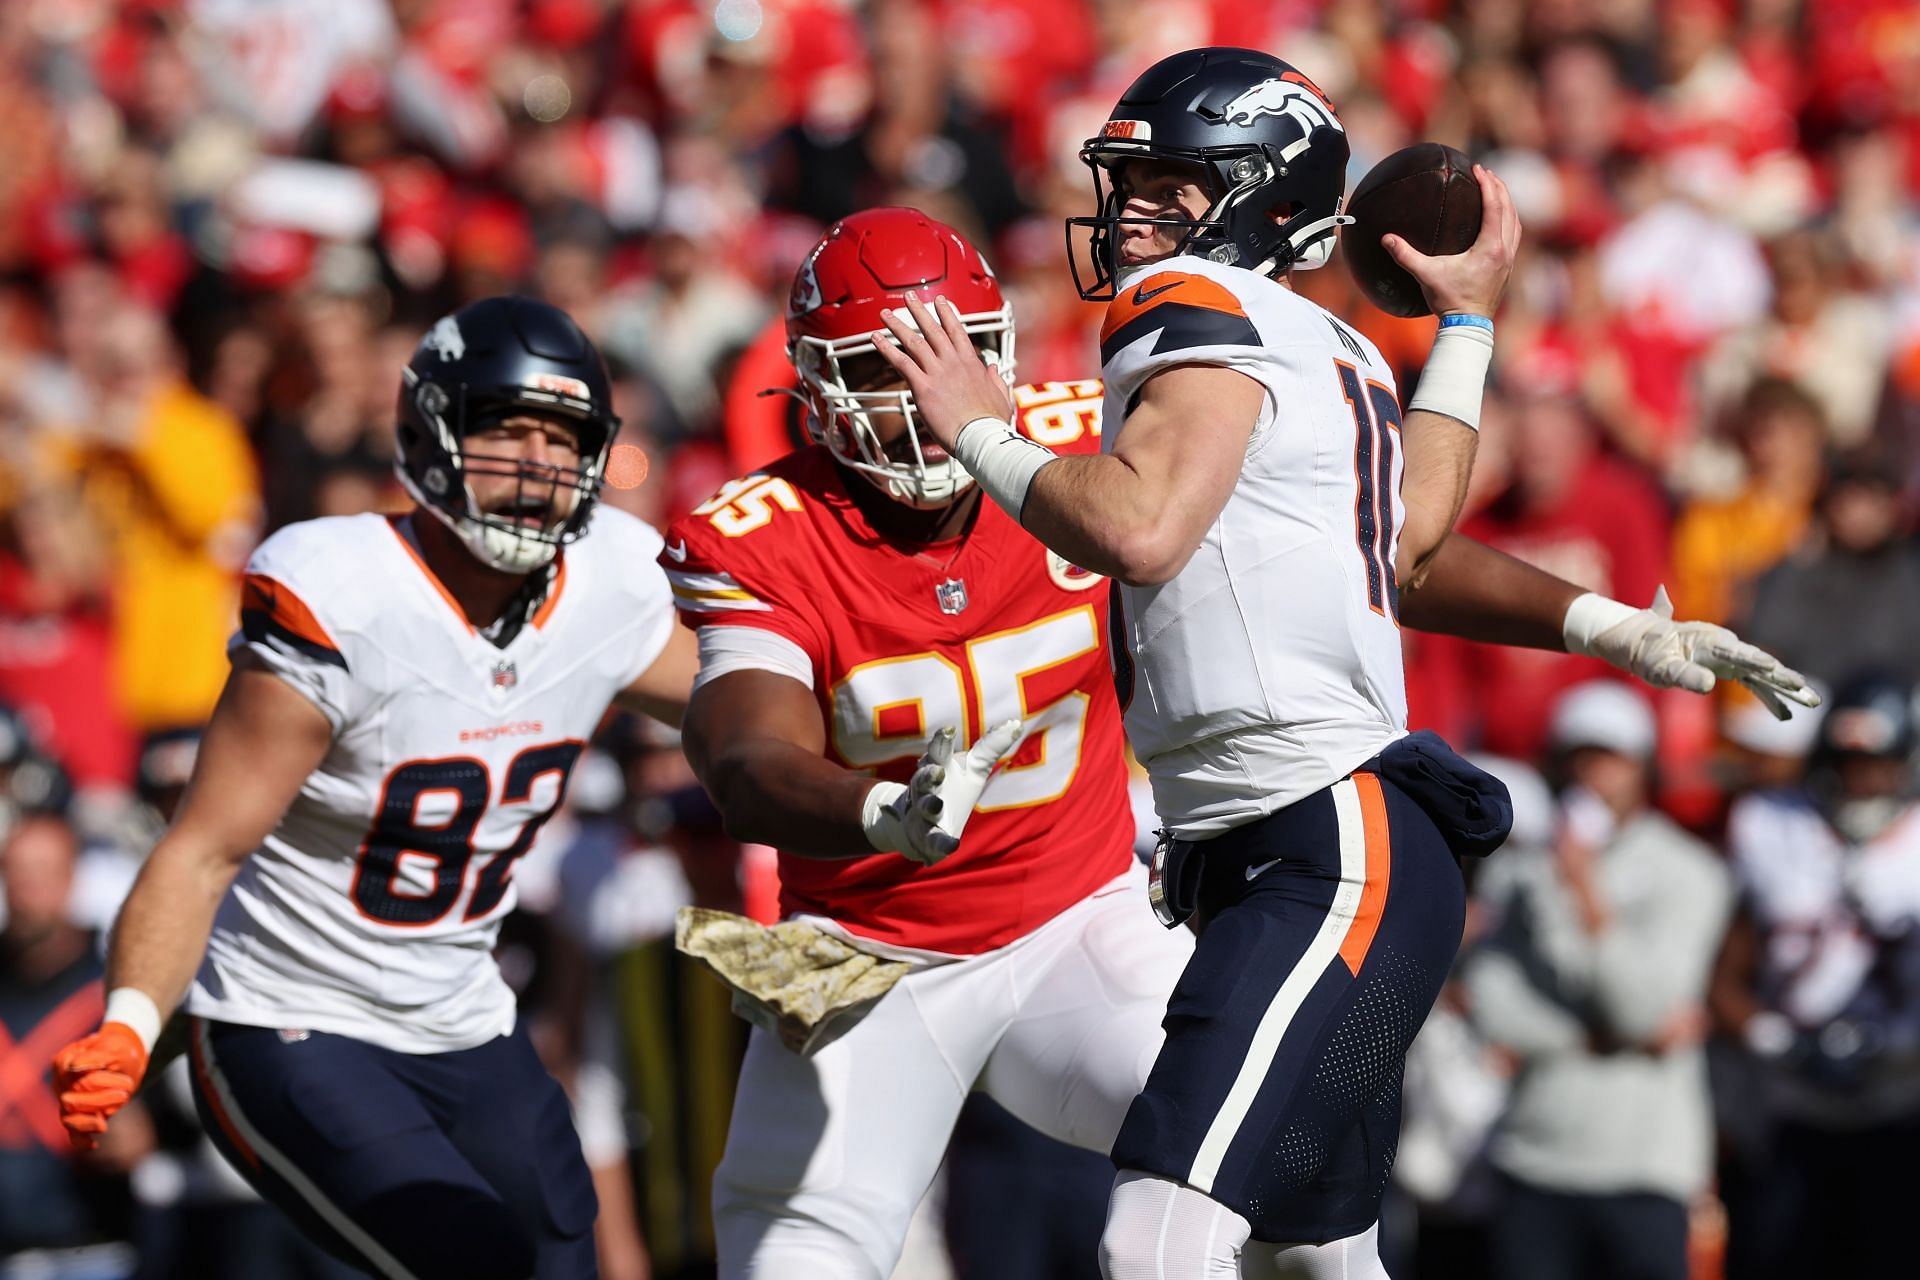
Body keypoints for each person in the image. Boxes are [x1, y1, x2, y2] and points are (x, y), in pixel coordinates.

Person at [870, 45, 1817, 1279]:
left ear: (1257, 196)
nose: (1133, 212)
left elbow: (1140, 527)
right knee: (1317, 1257)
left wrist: (979, 425)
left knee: (1160, 1240)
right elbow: (1409, 548)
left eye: (1169, 185)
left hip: (1321, 845)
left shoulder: (1196, 310)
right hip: (1306, 844)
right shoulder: (1340, 348)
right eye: (1134, 183)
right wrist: (1607, 616)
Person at [48, 296, 699, 1280]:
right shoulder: (346, 591)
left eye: (560, 438)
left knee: (565, 1254)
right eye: (504, 429)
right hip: (289, 1015)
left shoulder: (613, 580)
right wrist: (134, 1018)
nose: (534, 463)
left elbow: (749, 717)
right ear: (436, 433)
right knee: (473, 1261)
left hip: (464, 1012)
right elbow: (204, 844)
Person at [664, 206, 1194, 1280]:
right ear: (814, 387)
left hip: (1076, 920)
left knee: (1271, 1136)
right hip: (870, 954)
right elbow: (744, 757)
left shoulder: (1080, 440)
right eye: (883, 369)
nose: (924, 401)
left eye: (949, 359)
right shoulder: (765, 534)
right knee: (789, 1259)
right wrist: (875, 809)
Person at [1464, 682, 1731, 1280]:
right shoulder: (1522, 870)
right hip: (1534, 1158)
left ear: (1642, 766)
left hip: (1646, 1168)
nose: (1593, 775)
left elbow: (1644, 1005)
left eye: (1610, 758)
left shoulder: (1690, 871)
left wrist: (1584, 892)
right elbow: (1490, 1003)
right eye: (1579, 757)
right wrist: (1590, 1040)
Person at [1709, 673, 1920, 1280]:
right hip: (1791, 1109)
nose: (1860, 780)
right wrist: (1783, 1043)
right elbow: (1725, 975)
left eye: (1877, 763)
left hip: (1901, 1108)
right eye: (1848, 762)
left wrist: (1898, 1048)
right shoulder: (1772, 826)